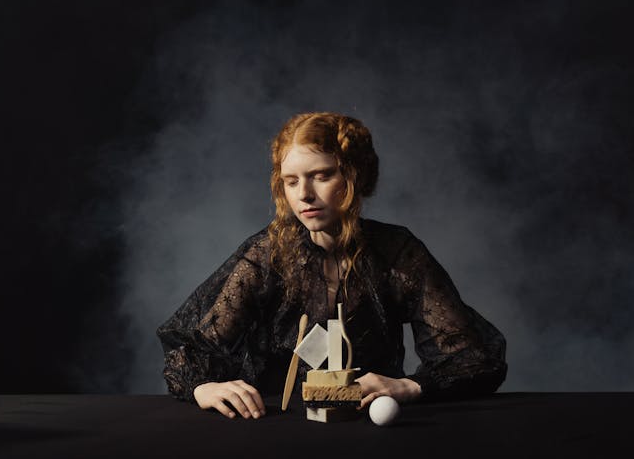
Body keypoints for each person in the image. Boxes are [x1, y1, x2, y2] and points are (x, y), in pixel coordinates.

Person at [156, 112, 507, 419]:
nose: (304, 194)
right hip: (276, 429)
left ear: (355, 177)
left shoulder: (398, 254)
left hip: (368, 428)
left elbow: (473, 358)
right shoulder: (267, 254)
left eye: (321, 176)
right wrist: (203, 388)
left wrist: (409, 386)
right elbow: (191, 348)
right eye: (291, 181)